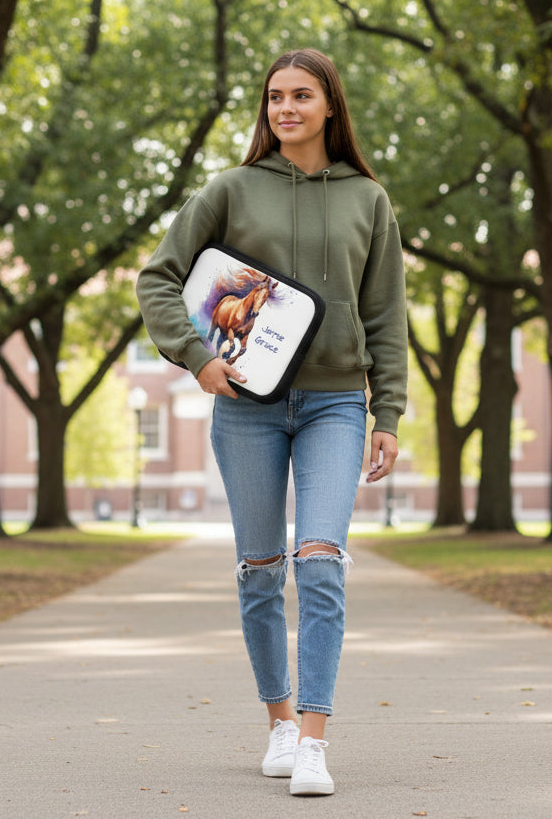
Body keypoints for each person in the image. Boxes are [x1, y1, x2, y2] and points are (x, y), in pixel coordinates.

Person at [135, 48, 407, 797]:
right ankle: (279, 723)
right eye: (275, 96)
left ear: (330, 106)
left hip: (336, 403)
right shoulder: (231, 189)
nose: (286, 107)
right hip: (246, 408)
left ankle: (314, 740)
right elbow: (158, 277)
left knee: (320, 561)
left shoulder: (368, 199)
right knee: (261, 571)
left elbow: (386, 315)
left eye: (301, 95)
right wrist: (197, 357)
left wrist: (387, 411)